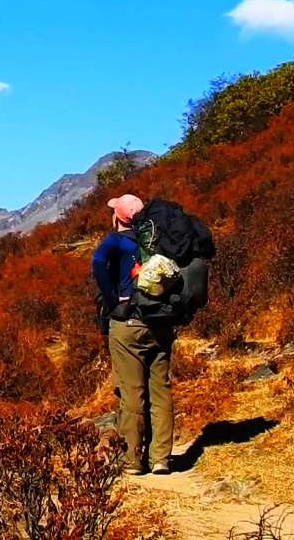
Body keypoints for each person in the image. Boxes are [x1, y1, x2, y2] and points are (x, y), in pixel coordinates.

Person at [92, 194, 175, 476]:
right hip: (160, 321)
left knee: (132, 393)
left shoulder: (116, 241)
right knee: (160, 390)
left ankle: (133, 460)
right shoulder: (159, 239)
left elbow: (97, 262)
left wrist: (112, 299)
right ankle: (161, 458)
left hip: (127, 322)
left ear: (119, 217)